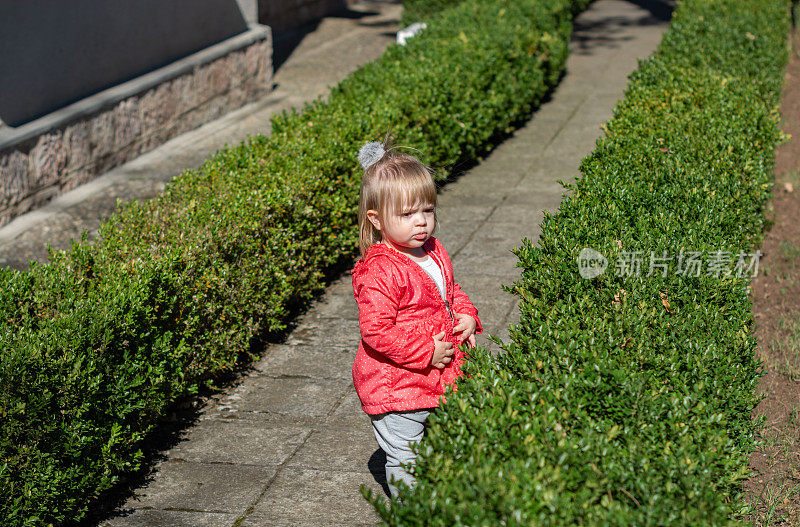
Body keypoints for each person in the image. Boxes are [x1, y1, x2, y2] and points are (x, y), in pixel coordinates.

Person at [351, 139, 482, 499]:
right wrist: (426, 351)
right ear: (377, 220)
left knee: (442, 443)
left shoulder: (433, 250)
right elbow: (376, 330)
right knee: (405, 455)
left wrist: (468, 315)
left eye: (427, 210)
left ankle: (442, 500)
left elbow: (450, 292)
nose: (421, 222)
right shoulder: (379, 271)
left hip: (438, 377)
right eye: (407, 215)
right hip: (397, 383)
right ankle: (413, 512)